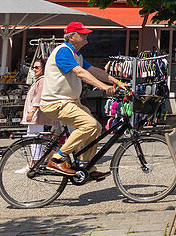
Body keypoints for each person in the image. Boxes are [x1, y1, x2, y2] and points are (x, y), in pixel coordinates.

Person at [39, 22, 129, 178]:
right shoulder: (63, 51)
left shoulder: (77, 55)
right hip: (56, 102)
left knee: (97, 129)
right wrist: (102, 87)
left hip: (70, 102)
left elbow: (94, 71)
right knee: (90, 125)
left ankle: (86, 166)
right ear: (72, 37)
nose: (86, 35)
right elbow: (80, 73)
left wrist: (118, 82)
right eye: (83, 33)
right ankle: (56, 159)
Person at [21, 58, 58, 161]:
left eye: (37, 67)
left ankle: (35, 162)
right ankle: (34, 162)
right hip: (35, 116)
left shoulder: (42, 80)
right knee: (33, 138)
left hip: (37, 116)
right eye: (33, 67)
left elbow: (39, 97)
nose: (34, 69)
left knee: (35, 140)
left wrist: (32, 112)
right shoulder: (40, 80)